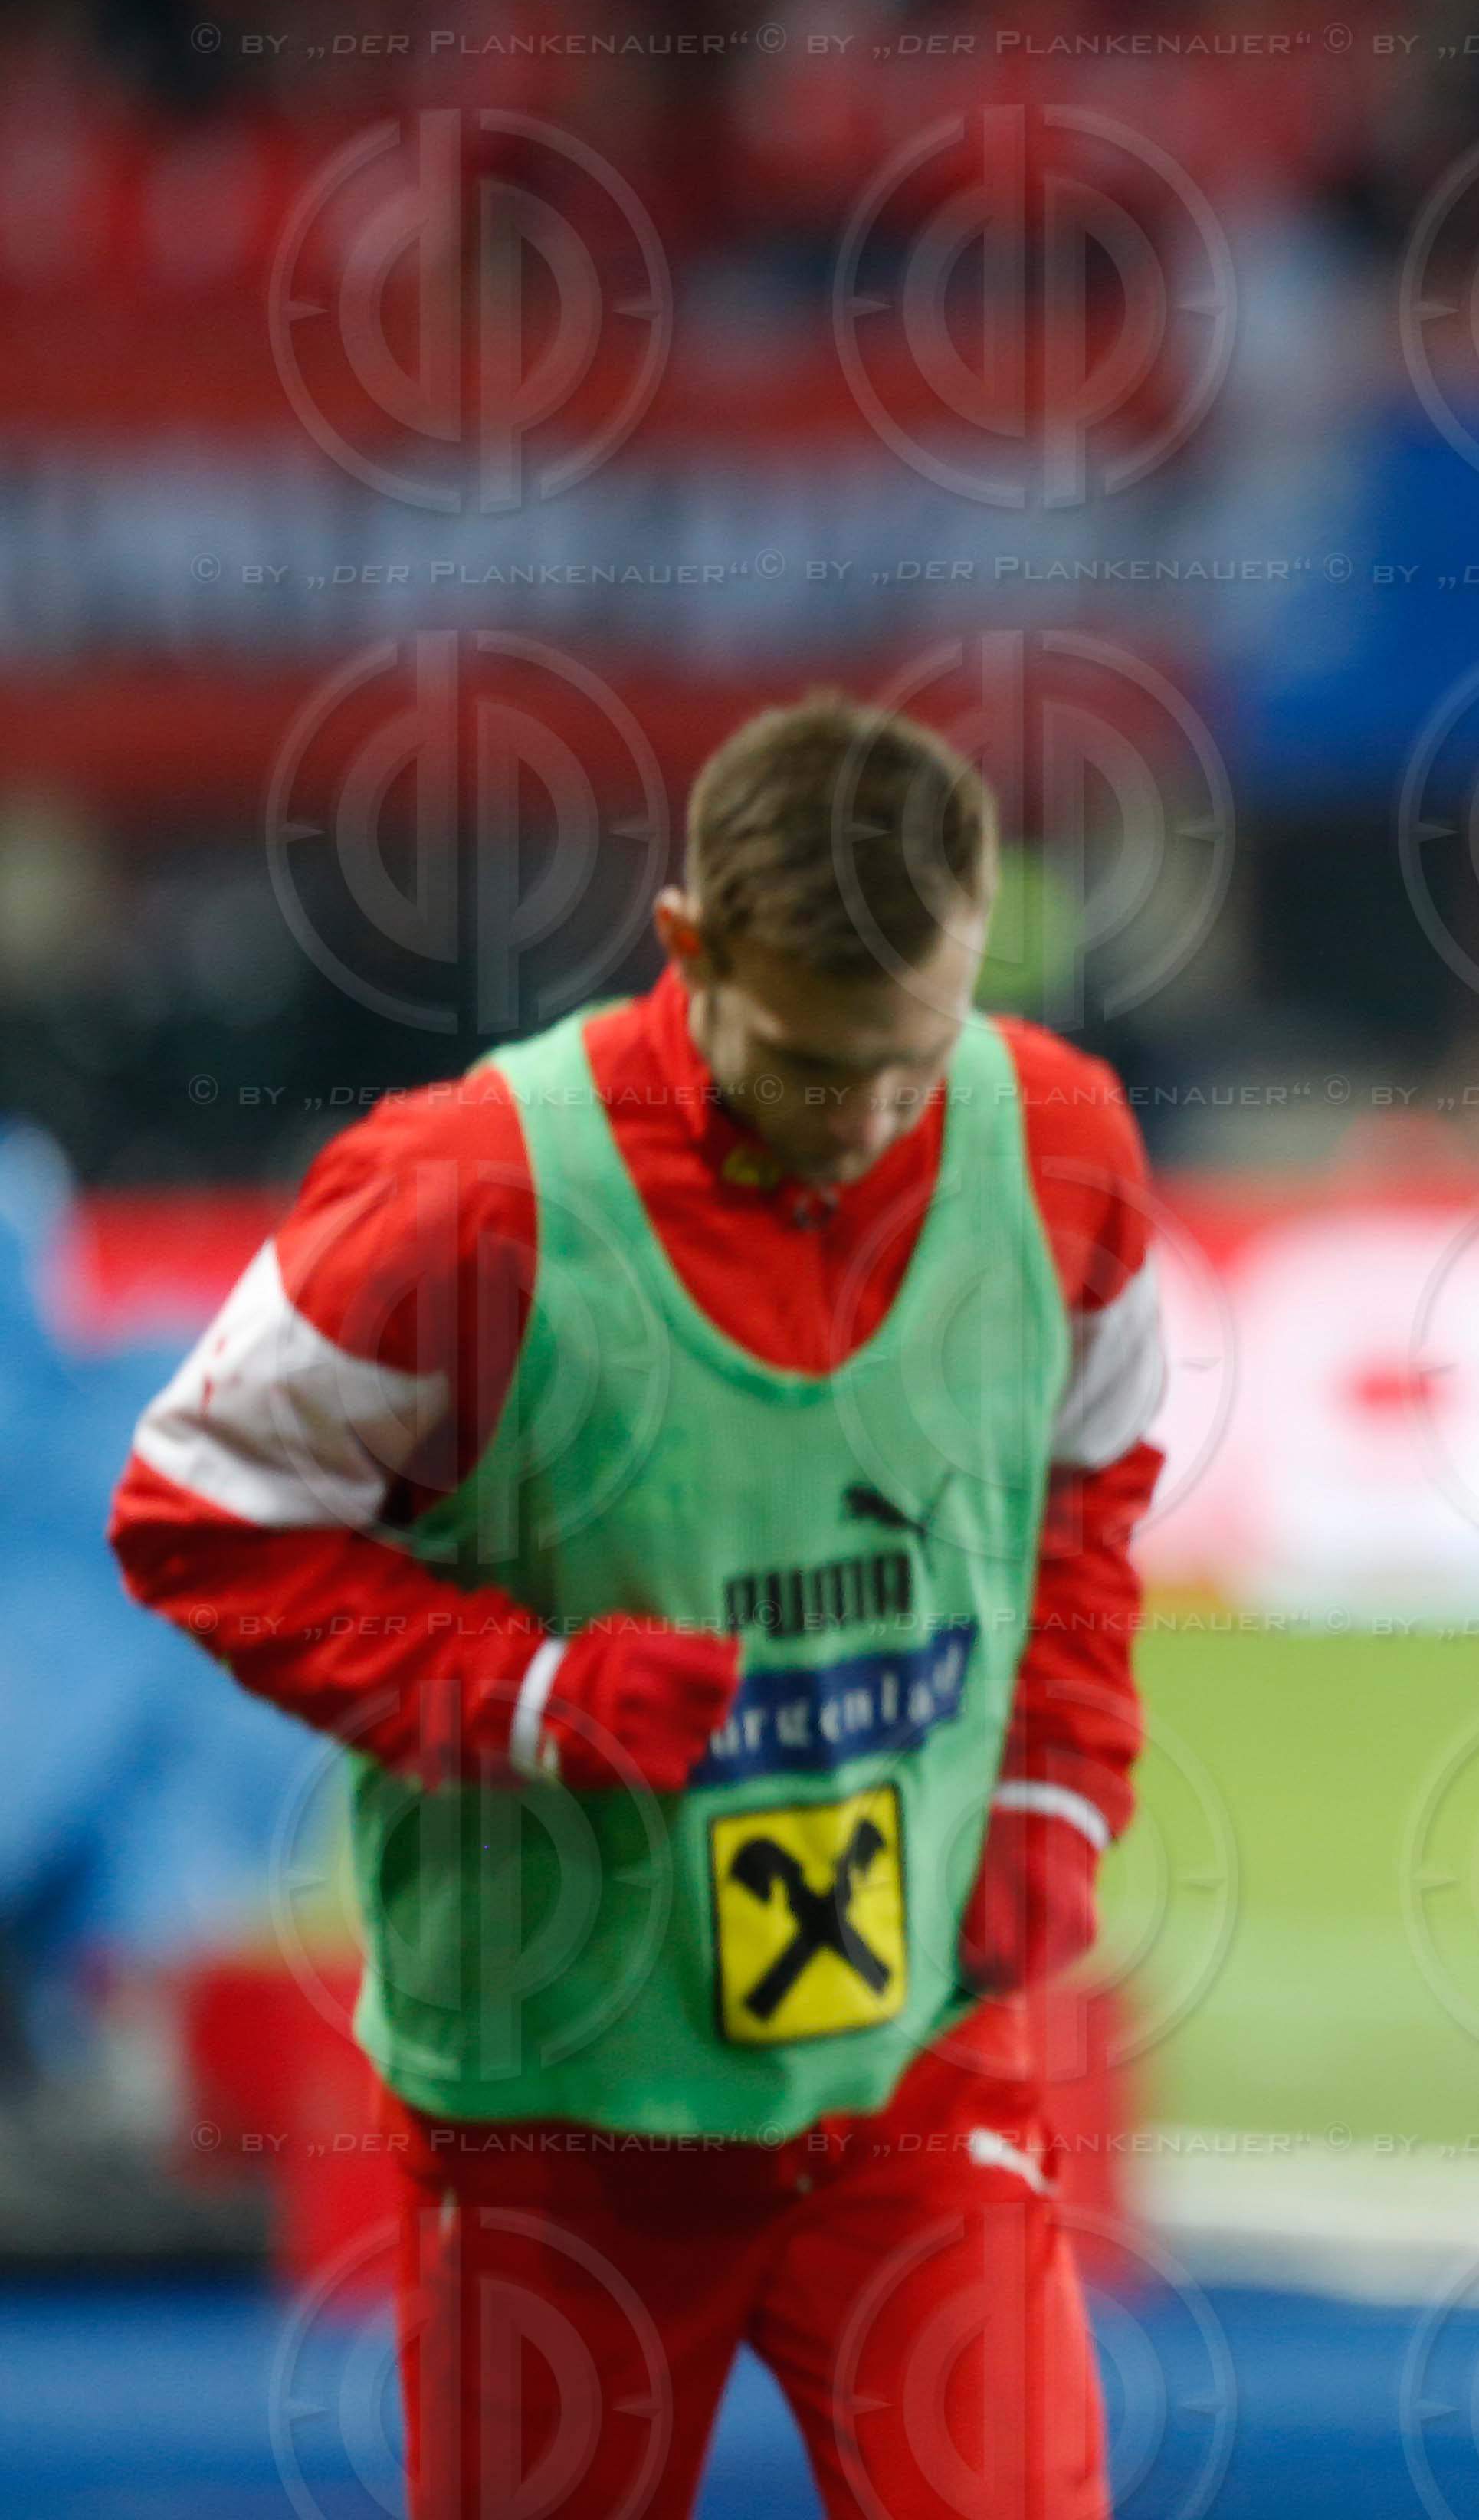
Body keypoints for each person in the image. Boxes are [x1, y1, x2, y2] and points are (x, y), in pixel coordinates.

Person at [112, 701, 1168, 2520]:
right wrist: (520, 1700)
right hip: (554, 2105)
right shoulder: (468, 1193)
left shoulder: (1057, 1141)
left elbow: (1094, 1486)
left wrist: (1058, 1782)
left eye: (916, 1061)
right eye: (814, 1066)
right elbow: (195, 1511)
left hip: (908, 2061)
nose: (869, 1124)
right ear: (685, 947)